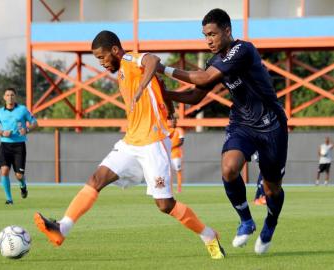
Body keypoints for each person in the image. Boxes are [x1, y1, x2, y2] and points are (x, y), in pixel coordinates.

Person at [33, 30, 225, 259]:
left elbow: (153, 60)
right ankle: (62, 228)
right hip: (131, 142)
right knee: (97, 179)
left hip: (153, 143)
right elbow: (160, 88)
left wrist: (143, 86)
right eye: (98, 59)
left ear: (115, 50)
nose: (102, 63)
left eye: (102, 57)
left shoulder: (129, 59)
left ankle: (208, 235)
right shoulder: (122, 72)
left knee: (165, 205)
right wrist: (170, 110)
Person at [158, 8, 288, 255]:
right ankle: (246, 221)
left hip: (272, 126)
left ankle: (271, 222)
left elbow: (205, 79)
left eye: (212, 34)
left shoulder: (243, 50)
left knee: (272, 189)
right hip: (242, 123)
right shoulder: (214, 61)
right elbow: (196, 96)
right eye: (205, 35)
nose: (208, 40)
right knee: (229, 168)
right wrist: (166, 94)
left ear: (227, 30)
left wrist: (163, 69)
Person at [0, 87, 37, 204]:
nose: (10, 97)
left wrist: (27, 130)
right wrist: (1, 132)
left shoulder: (23, 110)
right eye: (8, 95)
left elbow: (35, 123)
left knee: (19, 175)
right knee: (4, 171)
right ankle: (9, 199)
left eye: (12, 95)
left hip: (19, 146)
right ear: (4, 97)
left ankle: (23, 186)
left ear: (15, 97)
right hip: (5, 146)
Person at [170, 126, 185, 192]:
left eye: (174, 119)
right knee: (168, 172)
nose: (172, 121)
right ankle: (170, 189)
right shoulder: (167, 129)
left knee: (178, 171)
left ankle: (179, 188)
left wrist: (172, 146)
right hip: (168, 155)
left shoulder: (179, 130)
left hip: (176, 154)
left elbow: (181, 142)